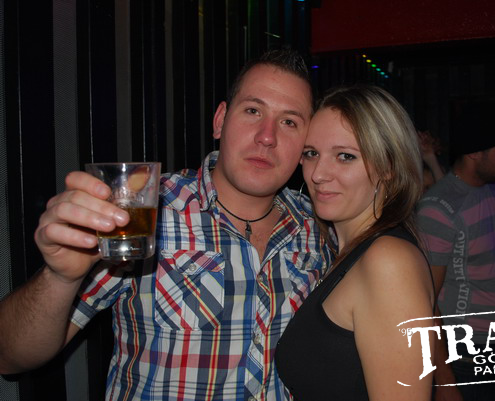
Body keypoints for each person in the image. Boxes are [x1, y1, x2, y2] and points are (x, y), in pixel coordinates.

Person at [0, 49, 332, 400]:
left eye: (289, 122)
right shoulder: (143, 212)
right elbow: (10, 356)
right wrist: (59, 278)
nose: (267, 136)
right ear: (220, 120)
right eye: (253, 111)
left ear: (305, 145)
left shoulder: (319, 226)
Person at [275, 84, 435, 400]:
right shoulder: (345, 252)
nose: (318, 174)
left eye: (345, 156)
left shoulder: (388, 261)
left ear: (389, 167)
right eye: (311, 153)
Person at [417, 102, 495, 401]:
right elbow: (425, 301)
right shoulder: (439, 208)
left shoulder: (492, 190)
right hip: (464, 352)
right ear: (475, 152)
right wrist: (445, 381)